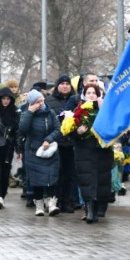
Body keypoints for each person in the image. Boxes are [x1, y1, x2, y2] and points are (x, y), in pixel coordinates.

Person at [69, 84, 113, 223]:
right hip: (84, 151)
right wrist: (77, 132)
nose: (91, 95)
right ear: (84, 94)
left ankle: (99, 208)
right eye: (89, 92)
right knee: (87, 181)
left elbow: (112, 127)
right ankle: (89, 209)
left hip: (102, 151)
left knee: (101, 181)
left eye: (94, 92)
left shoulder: (105, 109)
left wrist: (102, 109)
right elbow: (70, 130)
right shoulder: (79, 109)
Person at [19, 89, 61, 217]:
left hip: (49, 149)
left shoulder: (50, 113)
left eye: (42, 100)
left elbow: (58, 129)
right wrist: (30, 113)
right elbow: (23, 129)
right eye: (37, 102)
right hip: (33, 150)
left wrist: (49, 139)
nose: (41, 104)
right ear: (31, 103)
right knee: (36, 179)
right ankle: (39, 205)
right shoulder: (26, 114)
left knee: (51, 177)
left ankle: (52, 204)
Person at [46, 75, 79, 213]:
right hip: (56, 142)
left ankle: (68, 201)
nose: (65, 86)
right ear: (57, 86)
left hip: (72, 143)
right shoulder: (49, 101)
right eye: (62, 83)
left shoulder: (76, 101)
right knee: (56, 173)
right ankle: (55, 200)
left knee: (70, 174)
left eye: (67, 84)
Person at [0, 87, 19, 209]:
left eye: (8, 99)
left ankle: (2, 195)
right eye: (3, 98)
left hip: (8, 146)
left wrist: (18, 148)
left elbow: (17, 131)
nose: (5, 101)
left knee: (6, 172)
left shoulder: (15, 112)